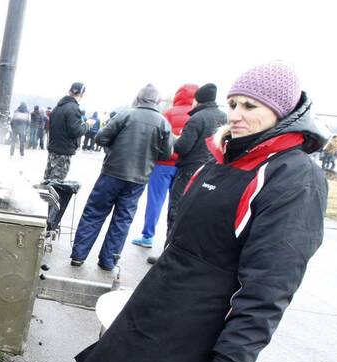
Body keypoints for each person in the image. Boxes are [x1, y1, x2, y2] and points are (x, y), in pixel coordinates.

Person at [74, 61, 328, 362]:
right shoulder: (232, 158)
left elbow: (275, 272)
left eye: (250, 106)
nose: (236, 114)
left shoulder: (294, 176)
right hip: (175, 301)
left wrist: (238, 346)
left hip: (213, 314)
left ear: (283, 111)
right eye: (233, 104)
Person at [69, 84, 173, 270]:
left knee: (95, 212)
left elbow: (101, 137)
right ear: (157, 101)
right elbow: (166, 154)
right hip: (138, 178)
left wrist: (113, 150)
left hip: (112, 172)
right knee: (122, 220)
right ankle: (108, 261)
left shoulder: (126, 114)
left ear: (139, 98)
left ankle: (78, 255)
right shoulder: (163, 123)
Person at [145, 83, 229, 265]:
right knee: (196, 214)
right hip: (211, 171)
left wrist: (176, 138)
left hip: (188, 170)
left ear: (197, 100)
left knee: (175, 210)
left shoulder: (197, 118)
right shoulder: (223, 117)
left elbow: (183, 147)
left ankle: (168, 255)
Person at [130, 84, 196, 249]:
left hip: (163, 164)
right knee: (178, 203)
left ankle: (147, 236)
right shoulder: (195, 116)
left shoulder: (169, 114)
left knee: (155, 201)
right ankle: (171, 239)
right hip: (185, 166)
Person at [43, 83, 87, 182]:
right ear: (82, 94)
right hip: (63, 153)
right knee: (55, 185)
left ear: (70, 91)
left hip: (53, 150)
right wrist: (87, 125)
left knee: (47, 182)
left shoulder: (58, 107)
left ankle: (40, 197)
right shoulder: (73, 108)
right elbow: (76, 131)